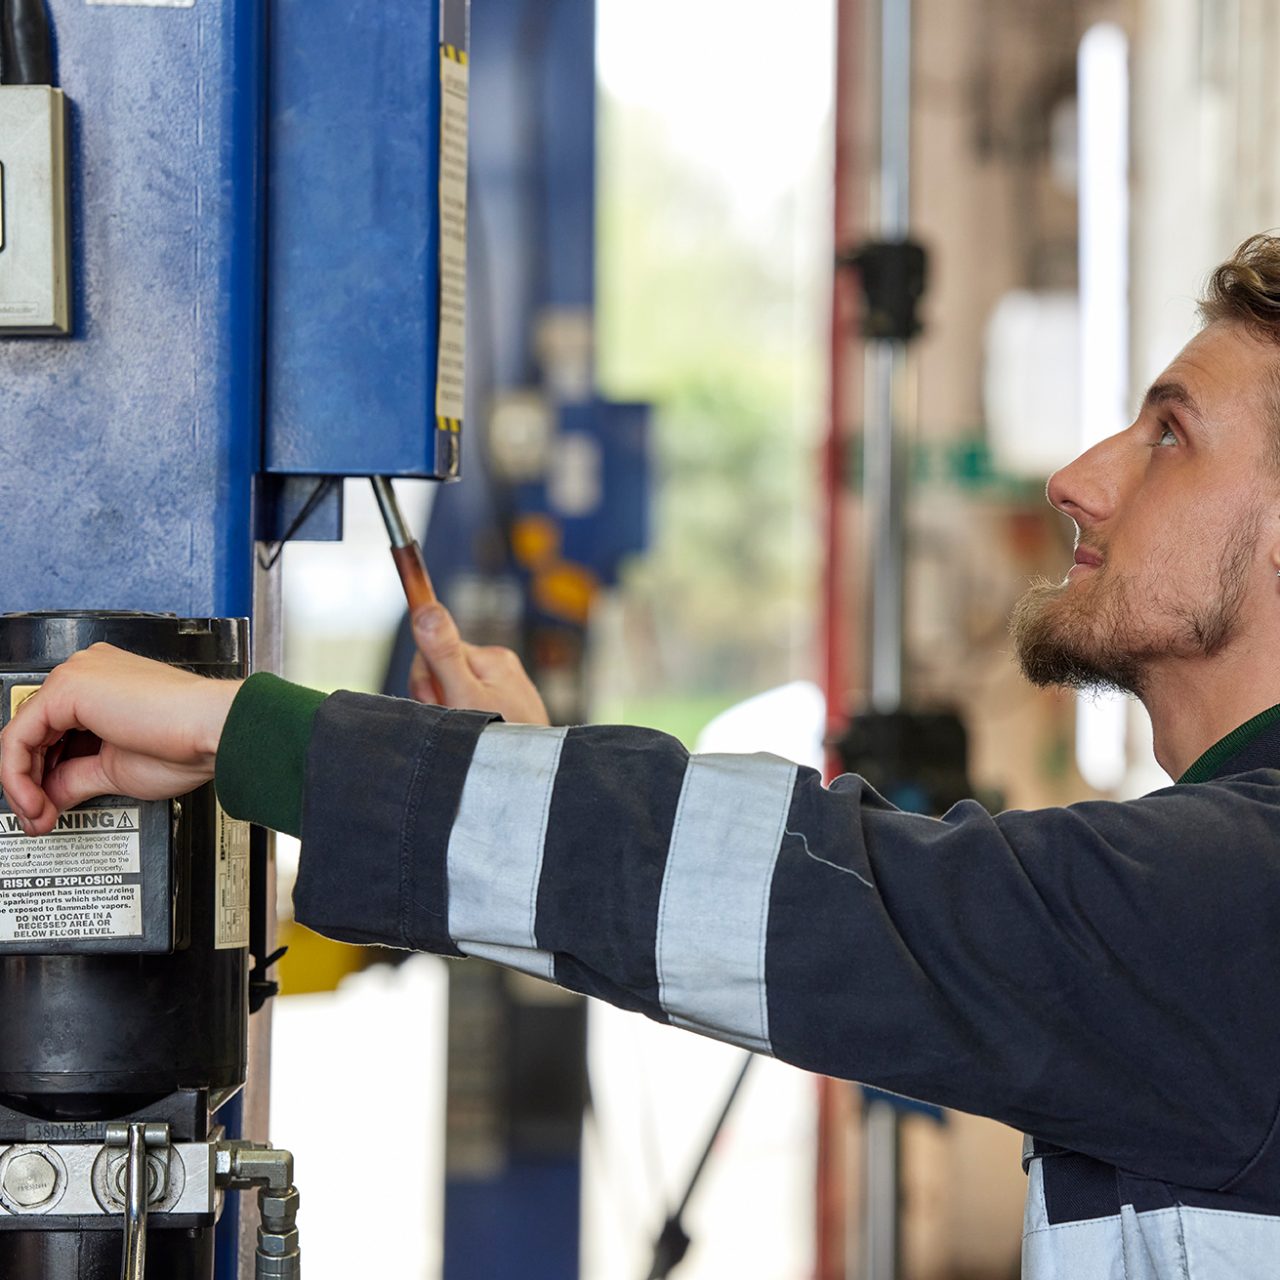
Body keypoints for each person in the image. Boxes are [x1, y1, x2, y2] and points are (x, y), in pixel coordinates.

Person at [7, 236, 1280, 1279]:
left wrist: (242, 727)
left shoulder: (1239, 902)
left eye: (1168, 435)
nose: (1075, 477)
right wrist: (516, 773)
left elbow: (832, 902)